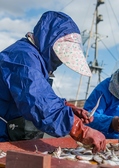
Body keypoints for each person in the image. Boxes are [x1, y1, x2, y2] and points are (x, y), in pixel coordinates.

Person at [0, 11, 106, 153]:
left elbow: (44, 94)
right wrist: (81, 130)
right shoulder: (23, 58)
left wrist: (68, 107)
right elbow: (40, 104)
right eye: (59, 55)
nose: (60, 61)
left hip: (13, 135)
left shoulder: (34, 58)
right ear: (48, 41)